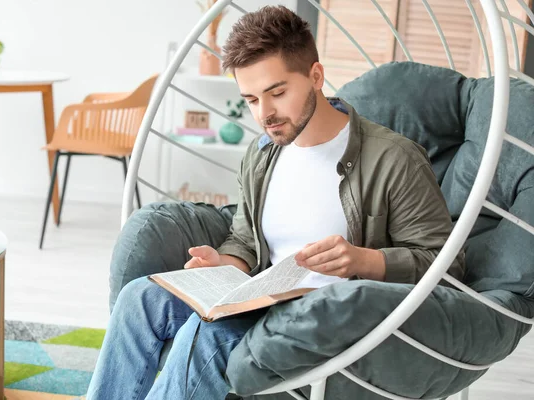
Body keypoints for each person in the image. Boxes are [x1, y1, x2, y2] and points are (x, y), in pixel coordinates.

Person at [87, 5, 465, 400]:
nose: (264, 114)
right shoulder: (265, 153)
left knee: (206, 334)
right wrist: (223, 266)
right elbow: (245, 240)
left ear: (316, 76)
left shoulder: (393, 159)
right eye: (251, 99)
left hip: (330, 318)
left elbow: (447, 263)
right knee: (139, 298)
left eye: (277, 93)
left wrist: (364, 260)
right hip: (261, 302)